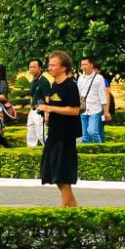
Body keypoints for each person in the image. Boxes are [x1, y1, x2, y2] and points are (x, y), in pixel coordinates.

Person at [38, 50, 82, 207]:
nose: (49, 68)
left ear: (63, 68)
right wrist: (46, 111)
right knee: (53, 173)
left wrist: (52, 109)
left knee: (62, 175)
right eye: (49, 65)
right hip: (54, 133)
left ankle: (66, 208)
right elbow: (55, 105)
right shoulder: (54, 85)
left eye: (53, 65)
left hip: (66, 135)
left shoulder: (71, 85)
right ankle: (74, 207)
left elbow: (75, 110)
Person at [77, 56, 108, 145]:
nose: (83, 67)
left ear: (91, 65)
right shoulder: (80, 78)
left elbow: (102, 96)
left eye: (85, 65)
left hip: (95, 109)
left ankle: (100, 149)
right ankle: (88, 153)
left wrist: (106, 111)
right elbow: (78, 94)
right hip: (83, 109)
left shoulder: (99, 78)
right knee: (85, 135)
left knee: (93, 131)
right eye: (82, 65)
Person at [25, 58, 51, 148]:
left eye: (34, 67)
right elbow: (33, 97)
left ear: (40, 68)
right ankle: (33, 156)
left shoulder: (44, 82)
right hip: (32, 111)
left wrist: (46, 114)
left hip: (40, 112)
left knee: (41, 135)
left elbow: (47, 99)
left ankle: (52, 152)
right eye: (30, 67)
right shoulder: (32, 82)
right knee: (30, 136)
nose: (31, 69)